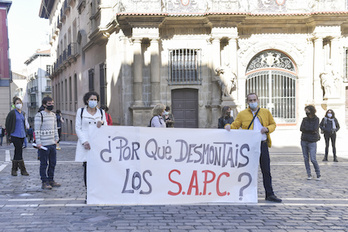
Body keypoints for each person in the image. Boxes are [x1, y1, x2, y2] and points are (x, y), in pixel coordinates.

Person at [225, 93, 282, 203]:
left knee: (266, 170)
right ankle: (246, 193)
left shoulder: (265, 112)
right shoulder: (242, 114)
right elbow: (235, 125)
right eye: (250, 100)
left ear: (258, 100)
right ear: (247, 102)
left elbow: (273, 124)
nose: (252, 102)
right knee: (247, 171)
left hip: (262, 144)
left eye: (254, 100)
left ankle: (269, 194)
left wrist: (267, 128)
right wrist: (228, 127)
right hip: (249, 146)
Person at [75, 91, 107, 189]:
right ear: (87, 100)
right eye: (91, 99)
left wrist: (101, 123)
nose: (93, 101)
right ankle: (88, 190)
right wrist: (84, 141)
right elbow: (78, 127)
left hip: (97, 142)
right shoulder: (81, 112)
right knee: (87, 168)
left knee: (98, 167)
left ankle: (98, 190)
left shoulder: (101, 112)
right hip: (85, 143)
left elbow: (106, 126)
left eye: (95, 100)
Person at [34, 96, 61, 190]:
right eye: (49, 104)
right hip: (43, 145)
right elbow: (37, 130)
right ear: (44, 104)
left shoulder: (53, 115)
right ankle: (44, 181)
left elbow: (55, 128)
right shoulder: (39, 115)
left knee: (53, 163)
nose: (51, 105)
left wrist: (57, 138)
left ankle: (51, 180)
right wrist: (38, 142)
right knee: (44, 164)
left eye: (52, 104)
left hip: (52, 143)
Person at [5, 97, 29, 176]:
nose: (19, 104)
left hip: (22, 135)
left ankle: (15, 169)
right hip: (15, 134)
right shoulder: (12, 113)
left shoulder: (23, 113)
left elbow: (24, 123)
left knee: (18, 151)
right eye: (17, 103)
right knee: (19, 150)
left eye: (20, 103)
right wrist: (9, 134)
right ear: (14, 105)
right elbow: (7, 124)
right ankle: (22, 169)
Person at [300, 105, 321, 181]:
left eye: (308, 110)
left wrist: (307, 129)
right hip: (304, 140)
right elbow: (301, 128)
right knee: (306, 158)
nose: (306, 112)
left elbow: (314, 128)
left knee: (313, 159)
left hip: (312, 141)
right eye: (306, 110)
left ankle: (318, 174)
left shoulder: (316, 119)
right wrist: (309, 129)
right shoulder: (304, 119)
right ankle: (309, 174)